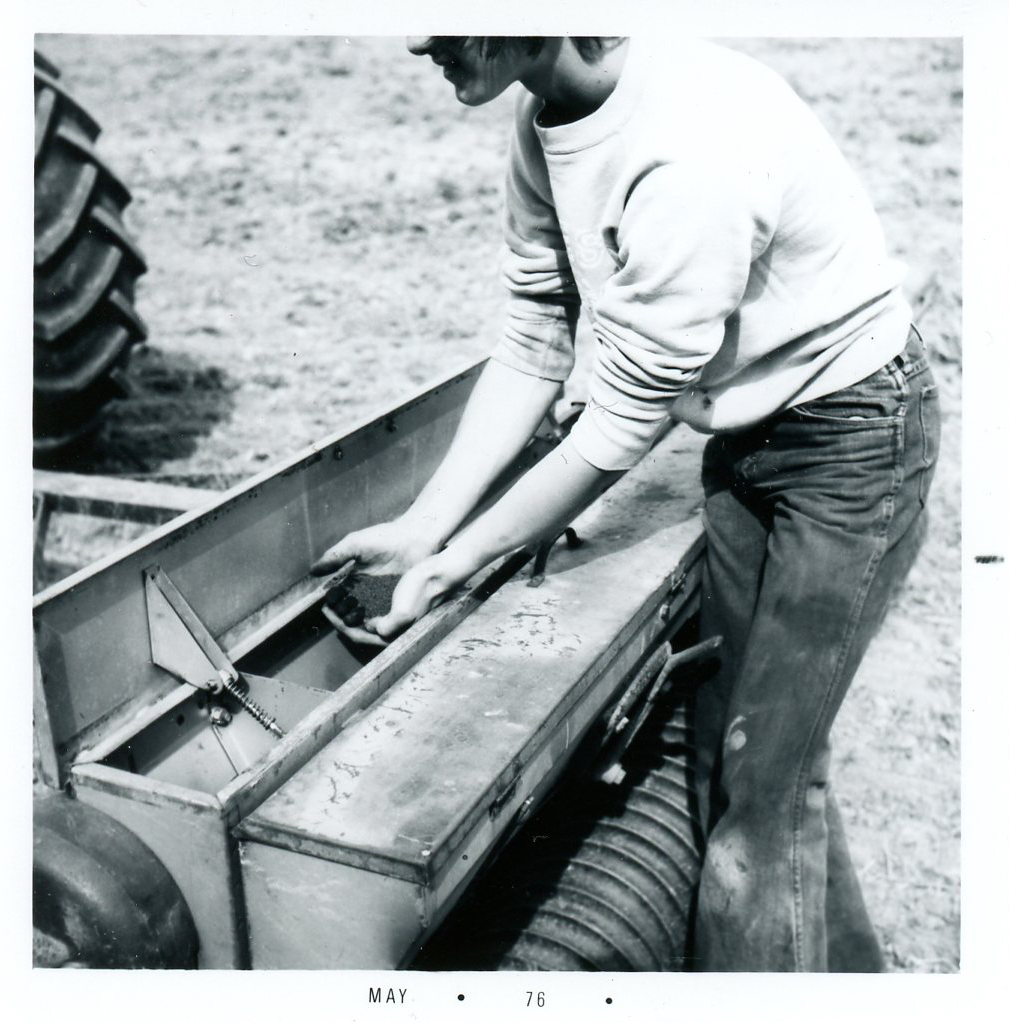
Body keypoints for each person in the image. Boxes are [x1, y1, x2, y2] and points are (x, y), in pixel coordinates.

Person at [311, 36, 941, 972]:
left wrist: (461, 560)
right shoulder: (538, 119)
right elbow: (534, 338)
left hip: (852, 436)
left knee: (761, 807)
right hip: (746, 434)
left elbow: (619, 425)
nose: (418, 37)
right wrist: (422, 526)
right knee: (738, 762)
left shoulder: (688, 146)